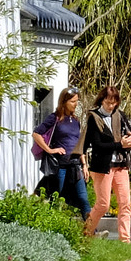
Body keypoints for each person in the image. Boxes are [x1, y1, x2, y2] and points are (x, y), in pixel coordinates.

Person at [82, 84, 131, 242]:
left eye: (114, 103)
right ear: (102, 100)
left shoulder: (119, 115)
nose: (110, 106)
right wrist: (120, 144)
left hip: (121, 165)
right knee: (103, 204)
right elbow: (97, 145)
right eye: (108, 102)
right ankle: (86, 232)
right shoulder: (94, 118)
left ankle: (125, 240)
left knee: (125, 202)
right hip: (102, 167)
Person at [33, 86, 90, 219]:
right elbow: (36, 134)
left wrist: (84, 164)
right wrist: (50, 150)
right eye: (72, 101)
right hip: (60, 166)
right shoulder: (55, 118)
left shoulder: (76, 121)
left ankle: (91, 230)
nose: (76, 104)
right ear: (64, 102)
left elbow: (79, 144)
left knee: (83, 198)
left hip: (75, 165)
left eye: (77, 101)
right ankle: (53, 227)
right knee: (56, 196)